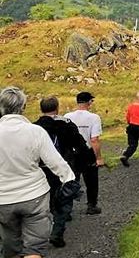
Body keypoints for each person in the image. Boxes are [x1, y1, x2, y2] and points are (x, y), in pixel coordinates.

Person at [0, 87, 77, 258]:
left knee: (10, 246)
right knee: (34, 248)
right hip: (34, 195)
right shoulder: (35, 132)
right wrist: (69, 179)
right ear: (23, 106)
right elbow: (55, 162)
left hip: (3, 199)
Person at [34, 96, 92, 248]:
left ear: (41, 109)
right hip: (64, 165)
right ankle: (57, 231)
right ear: (57, 108)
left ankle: (41, 229)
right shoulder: (66, 124)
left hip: (42, 168)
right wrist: (87, 158)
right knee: (65, 198)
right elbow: (80, 143)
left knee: (47, 197)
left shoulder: (35, 127)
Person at [64, 91, 104, 215]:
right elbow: (94, 139)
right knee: (91, 181)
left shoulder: (67, 116)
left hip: (72, 153)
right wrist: (99, 157)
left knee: (70, 180)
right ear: (89, 102)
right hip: (87, 152)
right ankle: (91, 206)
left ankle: (66, 210)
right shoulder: (94, 117)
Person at [120, 91, 139, 167]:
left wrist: (129, 123)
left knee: (132, 144)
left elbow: (127, 116)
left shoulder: (130, 106)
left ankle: (125, 156)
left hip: (131, 126)